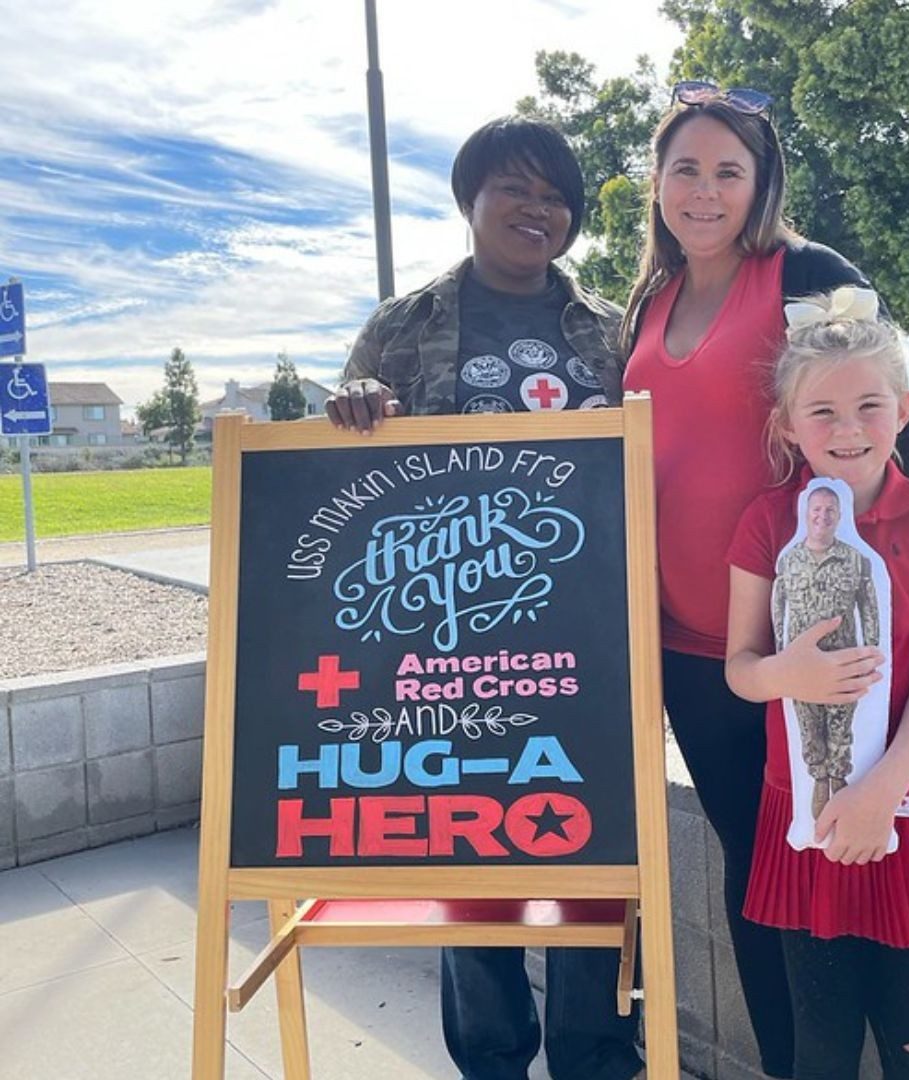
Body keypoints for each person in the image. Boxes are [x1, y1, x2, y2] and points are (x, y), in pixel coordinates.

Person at [621, 84, 909, 1079]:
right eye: (685, 169)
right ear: (656, 183)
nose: (704, 191)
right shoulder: (648, 300)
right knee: (762, 875)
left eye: (728, 171)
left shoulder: (805, 274)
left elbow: (884, 410)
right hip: (699, 654)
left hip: (818, 644)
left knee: (835, 854)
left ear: (760, 186)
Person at [326, 117, 643, 1080]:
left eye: (554, 196)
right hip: (449, 642)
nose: (536, 209)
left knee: (599, 852)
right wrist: (355, 413)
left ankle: (597, 1053)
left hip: (590, 636)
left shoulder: (612, 330)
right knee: (468, 855)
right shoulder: (402, 325)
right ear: (469, 199)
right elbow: (347, 484)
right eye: (514, 187)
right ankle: (494, 1057)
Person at [725, 297, 909, 1079]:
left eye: (868, 407)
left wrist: (882, 791)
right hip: (809, 811)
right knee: (820, 1039)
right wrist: (790, 674)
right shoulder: (763, 524)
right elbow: (741, 667)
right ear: (787, 425)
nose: (847, 428)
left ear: (904, 413)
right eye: (821, 411)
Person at [773, 485, 881, 820]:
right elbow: (779, 608)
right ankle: (819, 781)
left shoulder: (854, 560)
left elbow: (869, 607)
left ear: (839, 516)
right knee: (810, 727)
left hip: (843, 663)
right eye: (816, 510)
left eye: (830, 511)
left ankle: (838, 780)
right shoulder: (789, 562)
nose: (823, 516)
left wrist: (871, 651)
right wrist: (781, 655)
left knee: (839, 728)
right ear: (806, 514)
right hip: (800, 668)